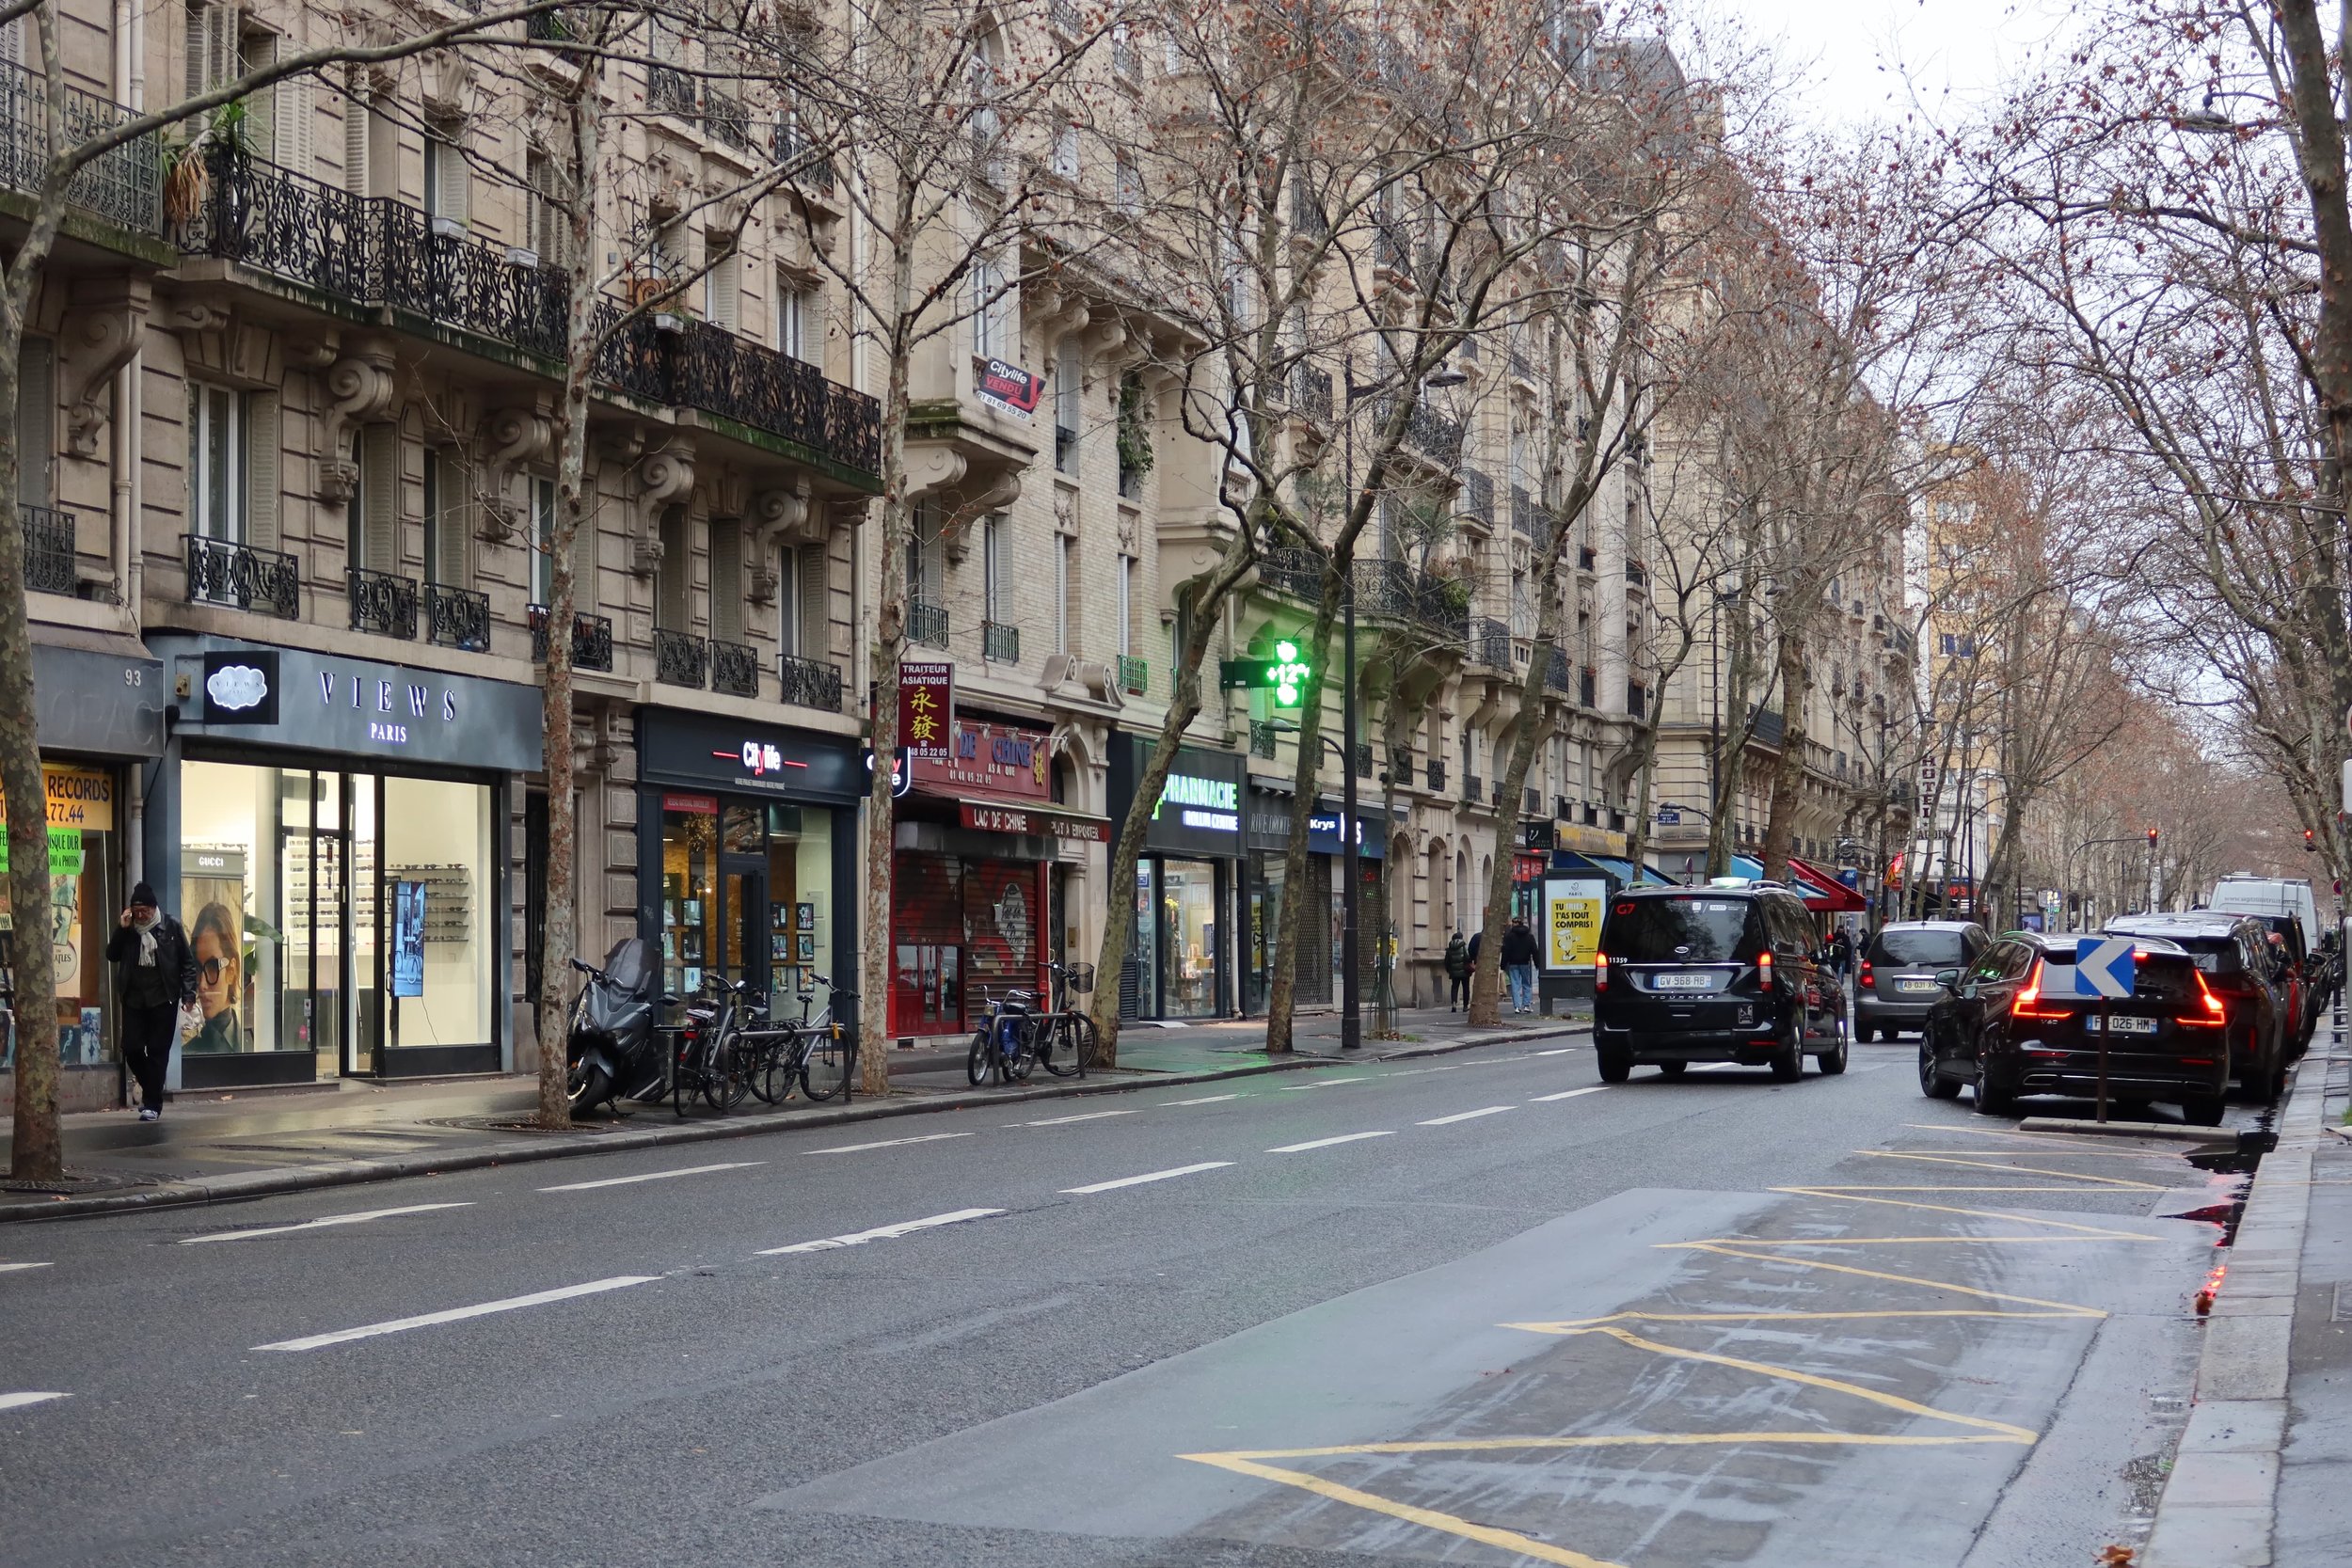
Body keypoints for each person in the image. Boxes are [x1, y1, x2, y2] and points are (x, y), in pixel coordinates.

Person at [104, 881, 197, 1121]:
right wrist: (122, 929)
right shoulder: (129, 930)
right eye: (136, 911)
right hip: (134, 999)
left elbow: (187, 963)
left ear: (154, 908)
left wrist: (188, 995)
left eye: (144, 911)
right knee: (131, 1049)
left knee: (157, 1051)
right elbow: (111, 955)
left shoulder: (171, 926)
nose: (140, 916)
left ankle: (152, 1105)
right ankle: (153, 1090)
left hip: (163, 999)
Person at [188, 901, 244, 1053]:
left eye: (213, 967)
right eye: (197, 968)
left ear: (231, 970)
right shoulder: (188, 1054)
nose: (202, 984)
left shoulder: (254, 1044)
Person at [1501, 917, 1540, 1015]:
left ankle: (1517, 1007)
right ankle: (1526, 1005)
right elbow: (1535, 951)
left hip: (1513, 963)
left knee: (1515, 984)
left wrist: (1503, 964)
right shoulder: (1529, 936)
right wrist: (1537, 963)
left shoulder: (1509, 936)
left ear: (1514, 924)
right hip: (1525, 963)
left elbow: (1506, 951)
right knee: (1526, 984)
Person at [1442, 931, 1470, 1011]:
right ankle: (1465, 1006)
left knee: (1454, 987)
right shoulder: (1464, 946)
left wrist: (1449, 970)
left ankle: (1454, 1004)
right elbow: (1467, 957)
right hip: (1464, 971)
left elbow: (1447, 961)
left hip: (1454, 972)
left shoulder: (1450, 948)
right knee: (1465, 988)